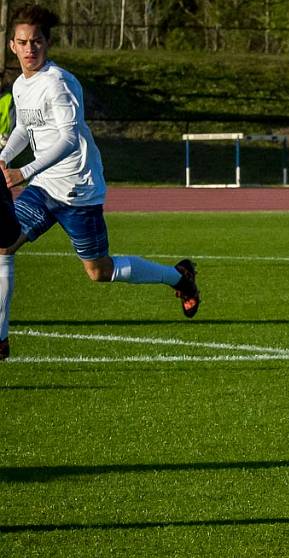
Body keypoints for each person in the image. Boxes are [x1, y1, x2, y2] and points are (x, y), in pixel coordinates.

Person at [0, 4, 199, 360]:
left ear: (48, 43)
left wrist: (22, 172)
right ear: (12, 45)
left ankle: (178, 276)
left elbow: (69, 139)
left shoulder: (58, 84)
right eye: (23, 42)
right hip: (43, 186)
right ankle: (1, 340)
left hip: (77, 190)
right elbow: (23, 129)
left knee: (99, 272)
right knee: (2, 246)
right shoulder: (20, 85)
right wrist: (3, 159)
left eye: (37, 41)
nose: (30, 49)